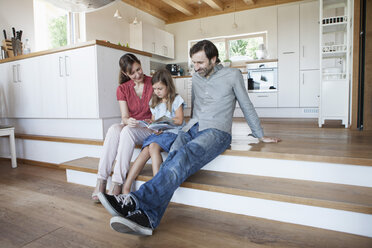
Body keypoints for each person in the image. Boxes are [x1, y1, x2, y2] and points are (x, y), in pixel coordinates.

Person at [98, 40, 281, 235]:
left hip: (216, 131)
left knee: (183, 156)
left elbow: (246, 104)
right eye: (193, 63)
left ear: (213, 59)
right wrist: (181, 130)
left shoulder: (233, 75)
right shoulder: (197, 77)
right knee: (174, 158)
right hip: (192, 128)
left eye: (200, 63)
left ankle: (135, 200)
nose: (196, 67)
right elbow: (195, 109)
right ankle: (149, 218)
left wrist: (260, 134)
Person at [91, 53, 154, 202]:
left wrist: (151, 119)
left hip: (149, 127)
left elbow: (161, 110)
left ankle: (117, 183)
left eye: (139, 69)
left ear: (140, 63)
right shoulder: (123, 89)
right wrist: (128, 120)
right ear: (126, 73)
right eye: (132, 73)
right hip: (132, 125)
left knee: (127, 131)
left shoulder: (153, 82)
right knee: (114, 129)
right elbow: (124, 116)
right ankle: (101, 180)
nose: (138, 74)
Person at [122, 69, 185, 194]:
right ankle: (126, 186)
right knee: (145, 150)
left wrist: (166, 121)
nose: (157, 92)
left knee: (153, 146)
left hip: (172, 132)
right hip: (159, 134)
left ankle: (157, 185)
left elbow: (179, 120)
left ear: (168, 86)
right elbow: (153, 120)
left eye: (160, 89)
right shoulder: (154, 102)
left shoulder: (176, 99)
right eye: (155, 89)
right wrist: (151, 124)